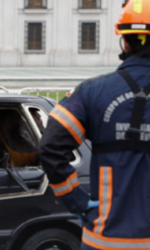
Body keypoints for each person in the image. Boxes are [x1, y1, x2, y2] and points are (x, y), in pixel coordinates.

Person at [39, 1, 150, 249]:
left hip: (105, 238)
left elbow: (51, 147)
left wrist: (76, 200)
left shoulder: (92, 93)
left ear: (125, 41)